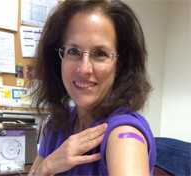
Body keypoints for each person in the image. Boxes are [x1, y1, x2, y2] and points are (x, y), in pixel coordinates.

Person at [29, 0, 156, 175]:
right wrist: (47, 166)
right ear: (59, 58)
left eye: (100, 54)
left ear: (119, 65)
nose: (84, 69)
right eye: (73, 51)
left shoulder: (124, 135)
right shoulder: (56, 125)